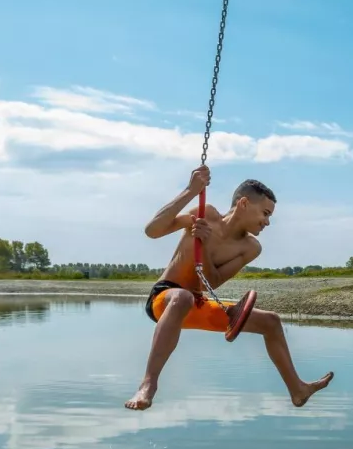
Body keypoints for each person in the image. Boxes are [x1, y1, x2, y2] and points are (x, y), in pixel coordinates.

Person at [125, 166, 333, 412]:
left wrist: (202, 245)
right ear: (244, 203)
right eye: (265, 213)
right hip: (165, 298)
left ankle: (297, 390)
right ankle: (148, 384)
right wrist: (191, 191)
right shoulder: (205, 214)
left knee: (271, 322)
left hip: (198, 302)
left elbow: (209, 283)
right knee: (181, 298)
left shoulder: (250, 247)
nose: (267, 222)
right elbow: (152, 230)